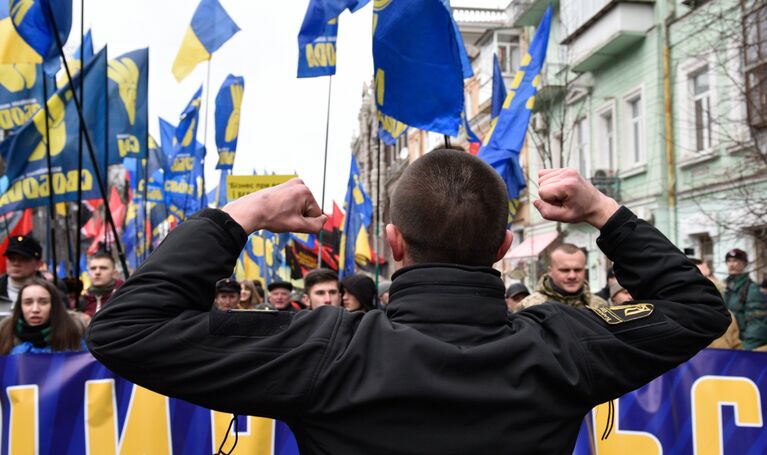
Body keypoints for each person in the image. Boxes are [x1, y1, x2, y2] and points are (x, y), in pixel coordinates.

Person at [87, 153, 729, 454]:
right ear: (505, 247)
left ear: (392, 242)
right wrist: (601, 212)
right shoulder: (565, 342)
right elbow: (697, 307)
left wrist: (244, 214)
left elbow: (126, 328)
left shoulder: (327, 347)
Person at [0, 278, 85, 354]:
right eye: (28, 302)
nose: (35, 309)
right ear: (20, 306)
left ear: (54, 305)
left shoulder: (73, 334)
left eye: (43, 302)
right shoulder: (5, 332)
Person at [515, 243, 608, 312]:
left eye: (578, 270)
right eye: (565, 270)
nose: (572, 276)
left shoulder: (599, 306)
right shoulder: (529, 306)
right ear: (550, 271)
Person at [723, 248, 766, 350]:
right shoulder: (724, 286)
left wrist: (745, 348)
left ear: (744, 264)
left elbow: (758, 324)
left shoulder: (751, 288)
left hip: (741, 345)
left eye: (736, 261)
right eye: (729, 261)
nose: (732, 264)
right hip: (725, 345)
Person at [0, 235, 43, 313]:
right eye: (11, 259)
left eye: (23, 259)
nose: (16, 263)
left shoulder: (52, 292)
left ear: (38, 264)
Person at [80, 251, 123, 318]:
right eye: (93, 268)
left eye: (103, 268)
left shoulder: (124, 297)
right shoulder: (83, 300)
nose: (97, 272)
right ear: (88, 272)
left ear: (114, 273)